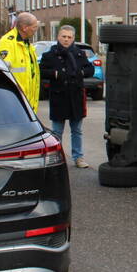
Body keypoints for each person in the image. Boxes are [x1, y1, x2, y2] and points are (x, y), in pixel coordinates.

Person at [40, 25, 94, 169]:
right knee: (57, 131)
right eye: (63, 36)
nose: (66, 39)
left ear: (73, 38)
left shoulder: (79, 54)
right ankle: (56, 158)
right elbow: (41, 71)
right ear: (58, 37)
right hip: (59, 98)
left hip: (76, 97)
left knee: (77, 131)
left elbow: (90, 69)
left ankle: (78, 157)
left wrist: (81, 73)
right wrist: (55, 74)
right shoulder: (49, 55)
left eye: (69, 37)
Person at [0, 12, 41, 111]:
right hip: (15, 102)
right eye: (34, 27)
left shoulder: (26, 44)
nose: (35, 30)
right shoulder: (7, 43)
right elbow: (2, 72)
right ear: (25, 28)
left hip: (27, 103)